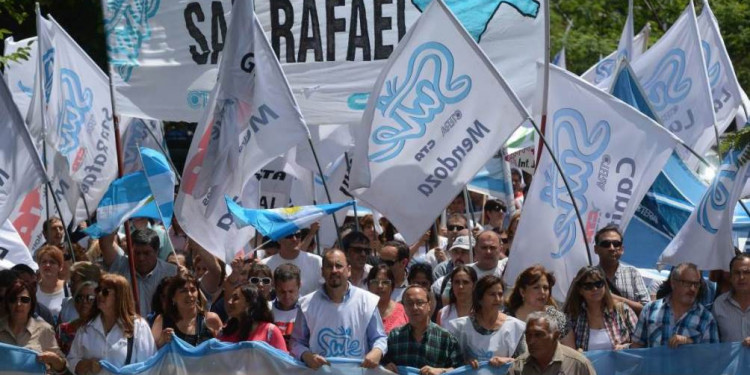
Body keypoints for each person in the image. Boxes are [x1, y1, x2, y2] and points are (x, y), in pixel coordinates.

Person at [291, 249, 387, 368]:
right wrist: (306, 356)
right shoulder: (307, 304)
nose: (334, 270)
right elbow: (296, 342)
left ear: (349, 270)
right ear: (322, 272)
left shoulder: (367, 301)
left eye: (339, 266)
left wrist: (376, 352)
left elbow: (379, 338)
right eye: (329, 266)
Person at [67, 274, 156, 374]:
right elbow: (71, 360)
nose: (99, 295)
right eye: (98, 290)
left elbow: (148, 366)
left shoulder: (138, 326)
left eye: (105, 292)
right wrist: (85, 365)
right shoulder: (86, 327)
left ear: (119, 296)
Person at [631, 262, 719, 348]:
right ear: (673, 283)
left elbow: (712, 357)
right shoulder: (650, 310)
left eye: (696, 284)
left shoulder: (706, 319)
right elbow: (637, 346)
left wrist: (691, 344)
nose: (692, 289)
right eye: (687, 283)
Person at [447, 276, 525, 368]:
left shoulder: (516, 327)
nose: (497, 299)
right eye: (492, 294)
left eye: (500, 294)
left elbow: (524, 362)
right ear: (480, 298)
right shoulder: (459, 327)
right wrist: (465, 363)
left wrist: (508, 361)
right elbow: (450, 363)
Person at [382, 285, 463, 374]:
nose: (415, 307)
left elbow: (459, 369)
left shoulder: (446, 338)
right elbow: (382, 363)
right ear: (404, 307)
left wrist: (441, 371)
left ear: (429, 305)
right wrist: (386, 367)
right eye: (409, 303)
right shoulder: (394, 336)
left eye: (419, 302)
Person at [100, 228, 178, 314]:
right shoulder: (121, 265)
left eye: (146, 253)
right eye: (137, 253)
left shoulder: (172, 273)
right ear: (130, 251)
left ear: (157, 252)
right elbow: (105, 244)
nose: (141, 258)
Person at [562, 266, 638, 351]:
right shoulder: (572, 317)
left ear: (605, 286)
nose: (595, 289)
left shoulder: (623, 311)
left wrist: (625, 347)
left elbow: (641, 344)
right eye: (588, 286)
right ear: (580, 290)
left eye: (599, 284)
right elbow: (569, 353)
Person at [0, 280, 67, 374]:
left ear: (32, 303)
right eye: (13, 299)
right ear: (7, 303)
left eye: (24, 300)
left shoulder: (44, 329)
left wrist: (54, 359)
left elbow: (62, 368)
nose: (19, 304)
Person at [508, 311, 596, 375]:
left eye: (538, 335)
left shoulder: (577, 364)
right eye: (528, 335)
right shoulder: (518, 367)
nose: (531, 341)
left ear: (555, 336)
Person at [152, 274, 222, 348]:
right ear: (173, 298)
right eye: (183, 291)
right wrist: (161, 342)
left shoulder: (211, 319)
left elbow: (225, 351)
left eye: (193, 290)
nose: (189, 294)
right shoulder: (162, 320)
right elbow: (150, 353)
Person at [593, 225, 650, 315]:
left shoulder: (632, 273)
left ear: (622, 249)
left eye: (616, 244)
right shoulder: (589, 276)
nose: (612, 248)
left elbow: (646, 309)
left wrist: (612, 297)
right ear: (596, 249)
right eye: (605, 244)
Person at [506, 265, 572, 341]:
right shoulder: (507, 318)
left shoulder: (559, 319)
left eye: (545, 288)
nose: (542, 292)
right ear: (522, 292)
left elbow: (570, 350)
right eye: (536, 288)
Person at [218, 285, 287, 351]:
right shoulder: (226, 331)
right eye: (231, 298)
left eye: (235, 298)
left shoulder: (270, 332)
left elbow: (283, 361)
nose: (229, 302)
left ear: (250, 303)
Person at [261, 231, 323, 297]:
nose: (294, 239)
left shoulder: (316, 261)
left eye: (298, 235)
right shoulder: (265, 265)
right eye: (289, 236)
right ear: (279, 240)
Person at [713, 253, 750, 344]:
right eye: (737, 273)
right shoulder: (719, 304)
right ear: (730, 277)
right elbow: (711, 342)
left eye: (746, 272)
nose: (741, 277)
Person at [56, 281, 98, 354]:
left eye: (90, 298)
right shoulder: (63, 330)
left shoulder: (104, 330)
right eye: (80, 298)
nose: (84, 301)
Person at [366, 263, 408, 333]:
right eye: (375, 282)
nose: (380, 286)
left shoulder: (404, 312)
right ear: (368, 285)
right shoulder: (361, 312)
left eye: (385, 282)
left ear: (392, 286)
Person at [35, 246, 69, 322]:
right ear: (39, 265)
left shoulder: (68, 289)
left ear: (60, 267)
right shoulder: (33, 290)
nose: (47, 265)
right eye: (44, 262)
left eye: (52, 262)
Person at [272, 264, 302, 348]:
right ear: (274, 286)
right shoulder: (266, 310)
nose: (287, 296)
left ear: (299, 285)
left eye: (291, 291)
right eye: (282, 292)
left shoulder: (308, 309)